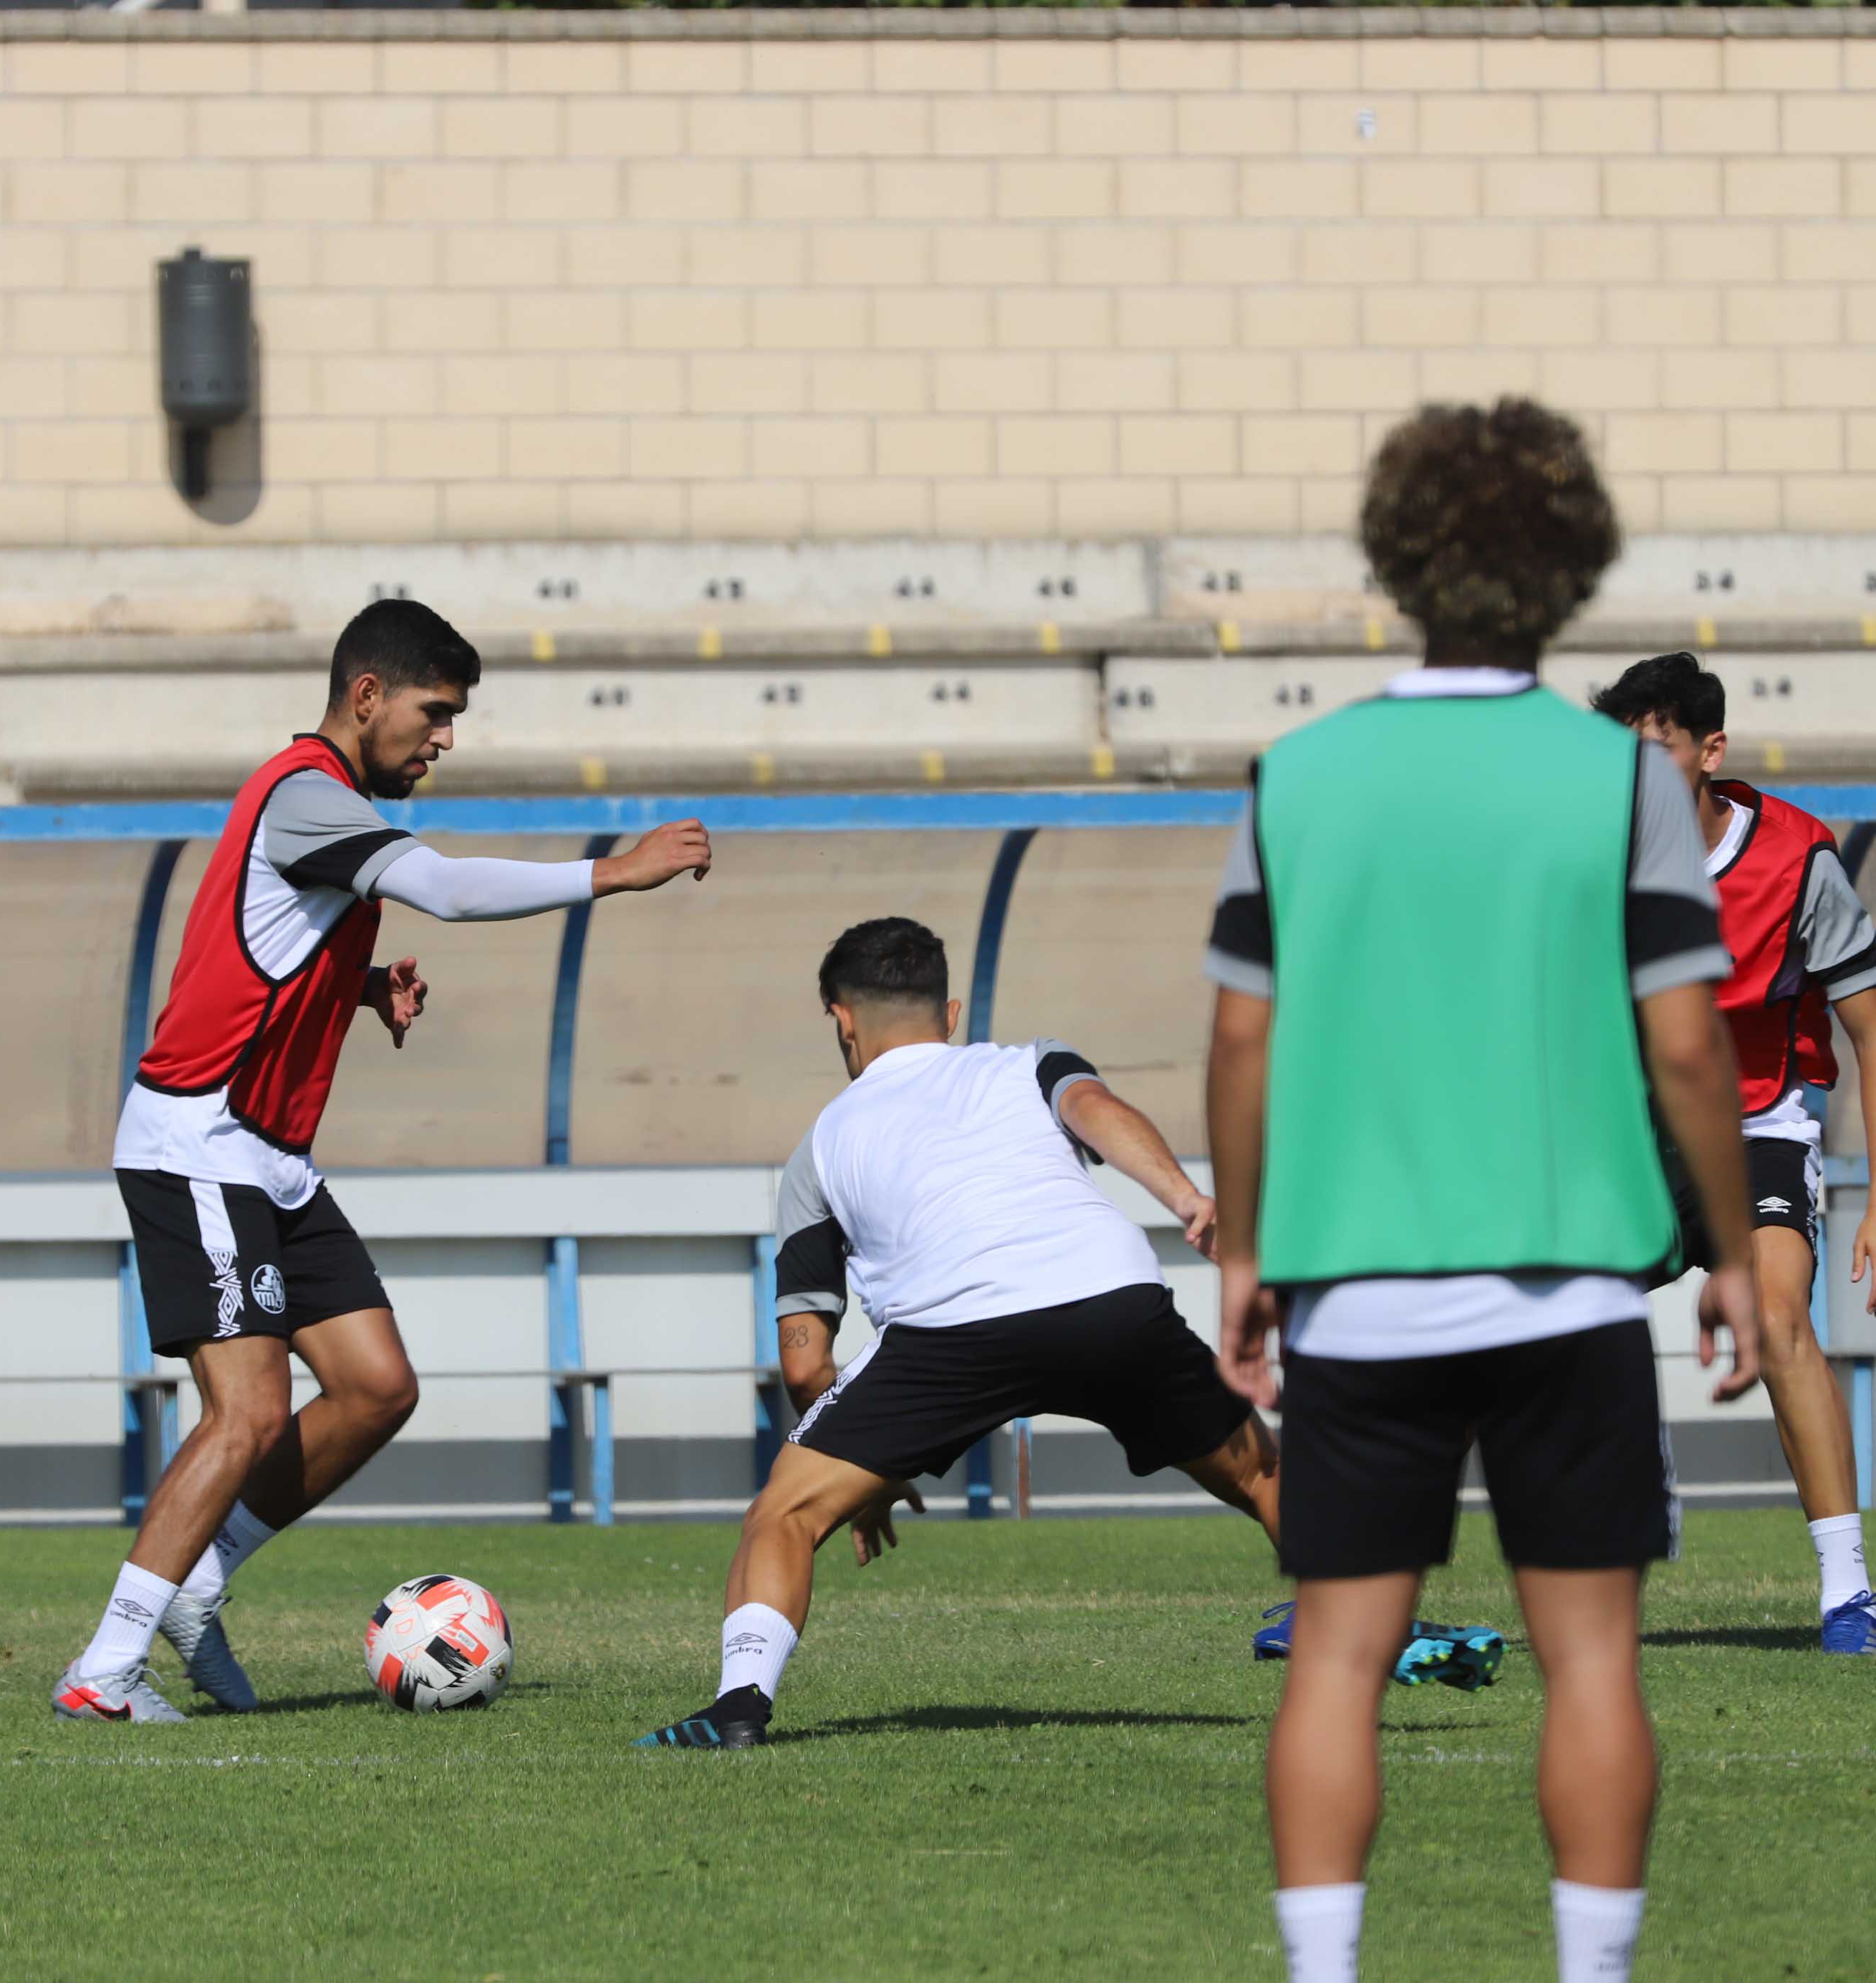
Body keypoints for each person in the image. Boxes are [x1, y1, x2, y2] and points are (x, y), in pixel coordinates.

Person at [1206, 399, 1763, 1983]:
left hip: (1361, 1285)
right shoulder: (1624, 781)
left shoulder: (1299, 774)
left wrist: (1242, 1246)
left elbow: (1241, 1037)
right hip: (1573, 1282)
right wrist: (1726, 1246)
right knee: (1591, 1659)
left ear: (1396, 559)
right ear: (1570, 572)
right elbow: (1679, 1044)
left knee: (1337, 1653)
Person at [55, 599, 713, 1722]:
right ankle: (103, 1671)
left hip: (269, 1158)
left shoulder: (325, 809)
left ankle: (196, 1587)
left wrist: (354, 989)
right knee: (248, 1414)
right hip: (199, 1142)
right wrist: (613, 873)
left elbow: (254, 953)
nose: (444, 738)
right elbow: (450, 889)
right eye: (435, 712)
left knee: (375, 1387)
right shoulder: (307, 792)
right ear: (368, 696)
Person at [634, 918, 1498, 1753]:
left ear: (840, 1017)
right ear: (952, 1013)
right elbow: (1093, 1107)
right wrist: (1186, 1198)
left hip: (952, 1331)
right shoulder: (1026, 1062)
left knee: (780, 1514)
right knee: (1261, 1467)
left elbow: (806, 1357)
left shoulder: (817, 1150)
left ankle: (738, 1704)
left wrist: (863, 1472)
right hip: (1110, 1298)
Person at [1589, 650, 1876, 1655]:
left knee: (1777, 1306)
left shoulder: (1799, 859)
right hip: (1629, 1125)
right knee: (1540, 1311)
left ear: (1711, 751)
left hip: (1760, 1117)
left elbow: (1869, 1030)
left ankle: (1848, 1591)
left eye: (1653, 753)